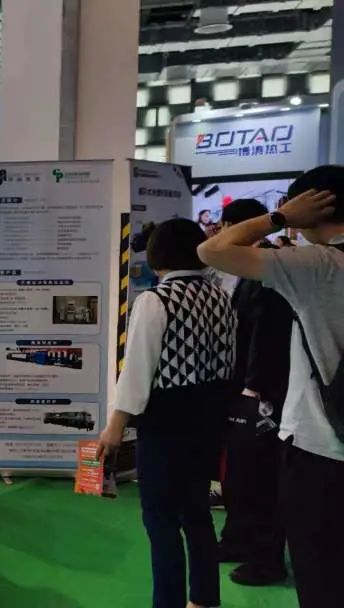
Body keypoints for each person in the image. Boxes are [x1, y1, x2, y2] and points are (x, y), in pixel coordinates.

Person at [198, 167, 344, 608]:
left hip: (322, 447)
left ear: (312, 206)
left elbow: (212, 250)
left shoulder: (319, 265)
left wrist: (279, 218)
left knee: (322, 577)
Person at [98, 218, 236, 608]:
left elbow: (137, 370)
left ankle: (168, 601)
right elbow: (229, 362)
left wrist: (115, 426)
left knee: (160, 518)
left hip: (166, 422)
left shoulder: (155, 300)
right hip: (208, 418)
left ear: (158, 254)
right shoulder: (221, 296)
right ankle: (205, 598)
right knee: (197, 513)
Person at [214, 199, 293, 587]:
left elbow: (268, 334)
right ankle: (237, 540)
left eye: (224, 226)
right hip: (243, 387)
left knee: (260, 477)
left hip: (260, 394)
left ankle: (265, 559)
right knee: (238, 475)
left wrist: (255, 388)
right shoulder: (248, 269)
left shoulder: (268, 270)